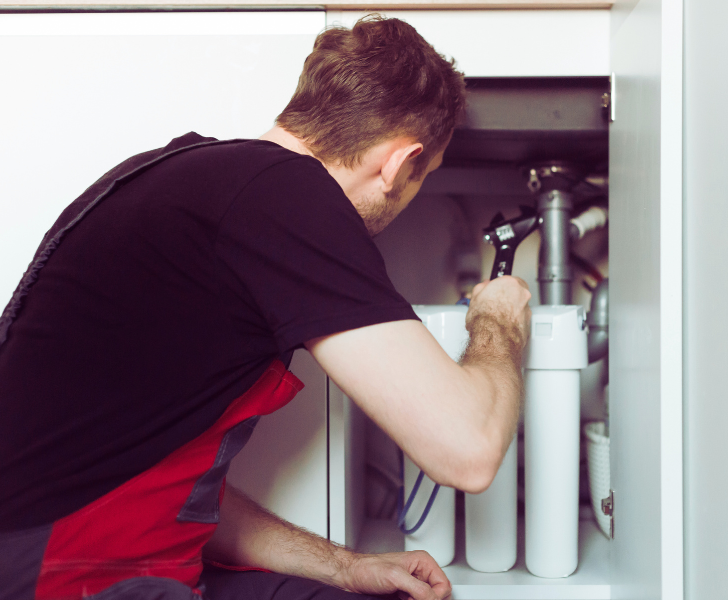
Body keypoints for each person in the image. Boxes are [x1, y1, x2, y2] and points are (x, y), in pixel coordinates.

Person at [0, 14, 531, 600]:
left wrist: (345, 566)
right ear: (400, 163)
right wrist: (499, 316)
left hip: (108, 558)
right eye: (422, 177)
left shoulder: (194, 176)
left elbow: (162, 488)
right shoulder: (285, 196)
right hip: (63, 578)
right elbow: (470, 450)